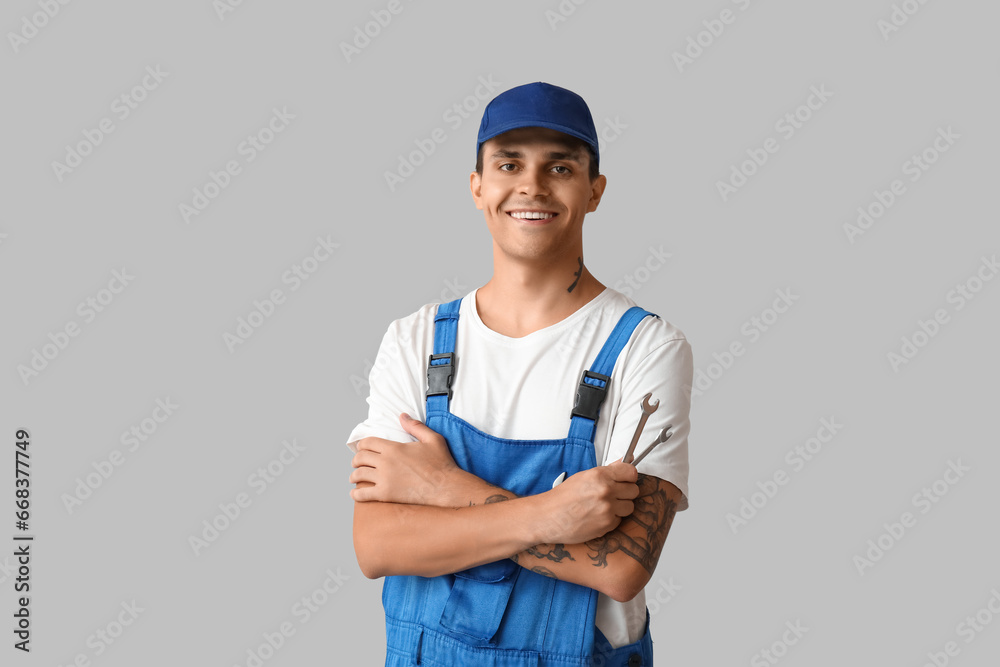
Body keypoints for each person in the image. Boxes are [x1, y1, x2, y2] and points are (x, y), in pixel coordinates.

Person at [347, 81, 692, 667]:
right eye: (509, 163)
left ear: (595, 190)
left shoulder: (645, 347)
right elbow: (377, 545)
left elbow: (621, 568)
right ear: (478, 186)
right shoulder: (416, 340)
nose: (531, 185)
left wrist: (442, 490)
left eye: (559, 166)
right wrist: (547, 514)